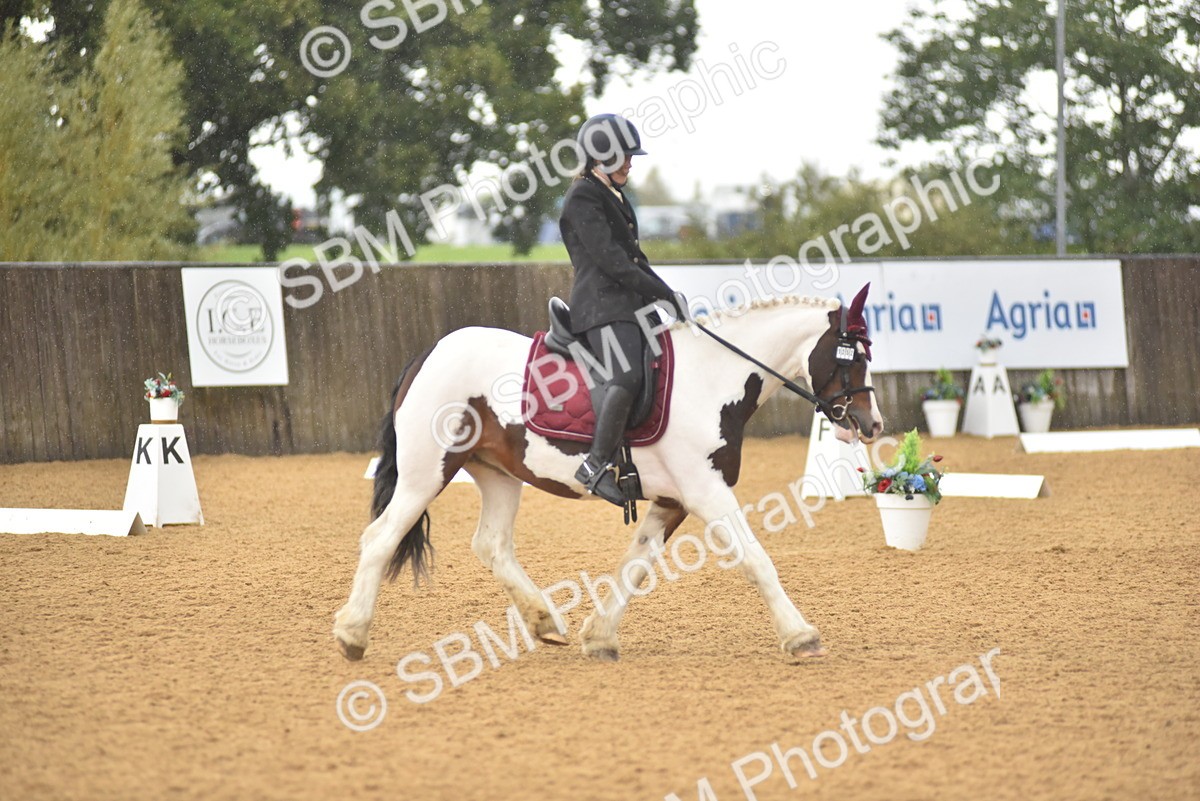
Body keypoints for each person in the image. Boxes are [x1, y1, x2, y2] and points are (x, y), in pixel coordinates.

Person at [558, 113, 685, 507]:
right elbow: (612, 261)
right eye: (624, 156)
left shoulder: (613, 194)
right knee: (628, 376)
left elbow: (636, 258)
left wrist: (667, 296)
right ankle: (595, 465)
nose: (631, 162)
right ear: (600, 158)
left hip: (626, 306)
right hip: (601, 307)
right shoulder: (583, 197)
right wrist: (658, 294)